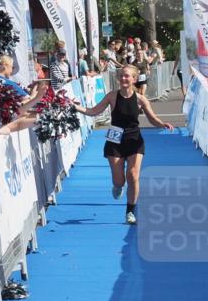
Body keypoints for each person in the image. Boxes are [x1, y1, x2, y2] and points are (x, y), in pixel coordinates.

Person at [73, 65, 174, 225]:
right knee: (119, 181)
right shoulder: (112, 96)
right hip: (115, 140)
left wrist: (162, 124)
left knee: (133, 175)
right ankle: (118, 186)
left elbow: (152, 118)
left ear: (134, 79)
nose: (124, 79)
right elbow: (93, 111)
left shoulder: (141, 99)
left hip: (134, 140)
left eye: (127, 76)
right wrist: (76, 107)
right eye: (121, 76)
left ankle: (130, 211)